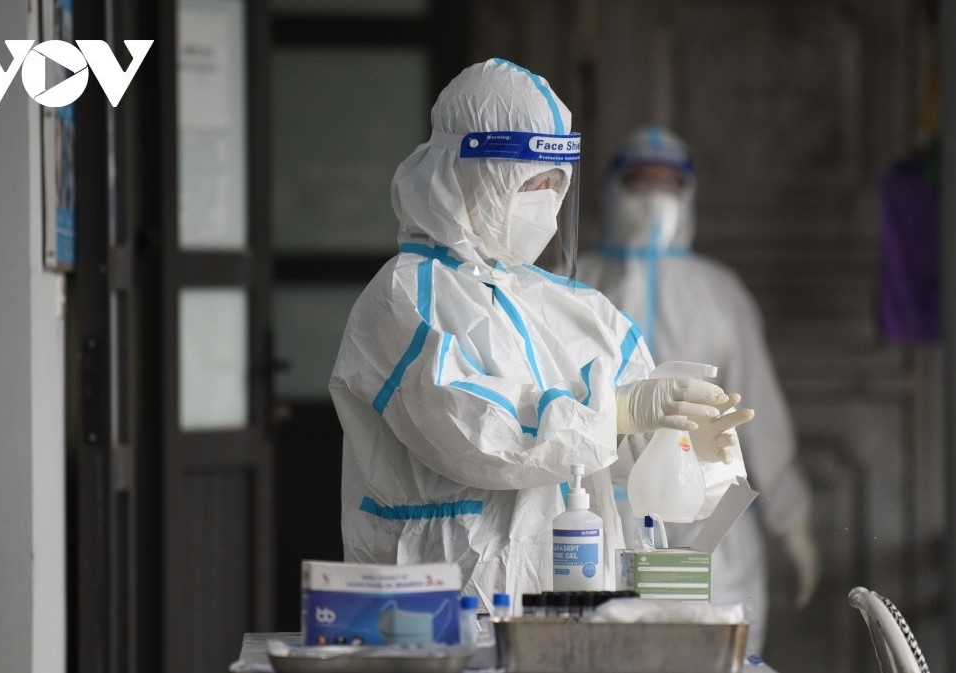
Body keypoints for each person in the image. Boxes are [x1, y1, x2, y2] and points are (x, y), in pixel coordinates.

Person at [329, 60, 754, 611]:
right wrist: (619, 413)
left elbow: (643, 483)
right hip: (441, 605)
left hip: (584, 604)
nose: (545, 198)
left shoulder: (584, 311)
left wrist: (687, 452)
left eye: (556, 182)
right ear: (464, 171)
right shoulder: (404, 297)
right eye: (528, 181)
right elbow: (474, 432)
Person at [576, 126, 820, 652]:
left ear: (689, 195)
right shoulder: (572, 284)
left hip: (709, 525)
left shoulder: (719, 292)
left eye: (669, 185)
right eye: (639, 183)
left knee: (716, 655)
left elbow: (758, 410)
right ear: (611, 190)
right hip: (600, 519)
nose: (653, 198)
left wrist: (792, 519)